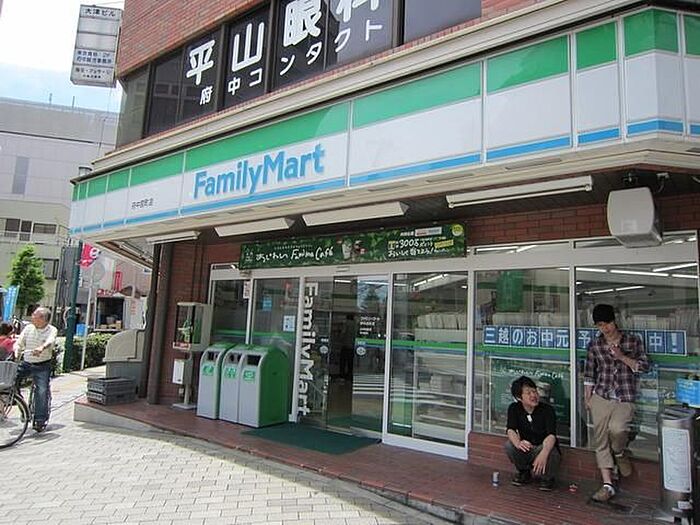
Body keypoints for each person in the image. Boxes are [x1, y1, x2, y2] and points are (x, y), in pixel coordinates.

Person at [584, 304, 649, 503]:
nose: (605, 328)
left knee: (618, 429)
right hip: (601, 395)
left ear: (615, 321)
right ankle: (607, 484)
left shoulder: (632, 341)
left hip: (625, 396)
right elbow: (589, 372)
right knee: (600, 439)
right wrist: (588, 398)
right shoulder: (595, 344)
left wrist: (622, 357)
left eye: (607, 323)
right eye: (600, 325)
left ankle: (619, 453)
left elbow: (644, 366)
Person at [504, 375, 560, 491]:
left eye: (534, 391)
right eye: (528, 393)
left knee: (551, 450)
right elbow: (511, 430)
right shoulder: (514, 408)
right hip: (528, 447)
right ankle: (524, 473)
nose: (533, 395)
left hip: (542, 447)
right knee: (509, 445)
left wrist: (544, 452)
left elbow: (551, 435)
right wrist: (518, 443)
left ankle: (547, 478)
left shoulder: (547, 410)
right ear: (519, 397)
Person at [13, 307, 57, 432]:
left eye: (34, 315)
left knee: (42, 390)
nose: (32, 316)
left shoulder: (52, 330)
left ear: (43, 318)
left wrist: (42, 347)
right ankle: (23, 407)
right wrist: (17, 349)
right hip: (26, 363)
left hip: (42, 365)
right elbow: (20, 342)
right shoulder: (28, 328)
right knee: (10, 381)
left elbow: (50, 341)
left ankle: (40, 420)